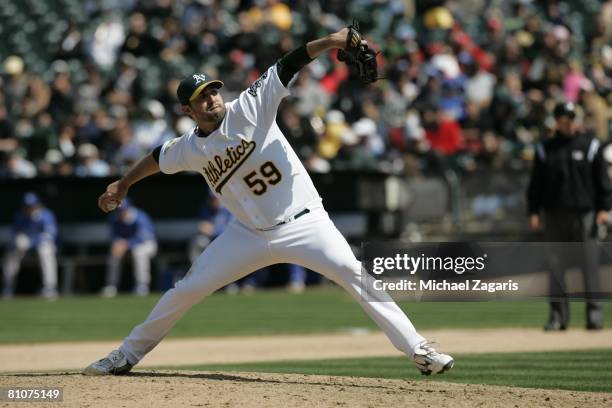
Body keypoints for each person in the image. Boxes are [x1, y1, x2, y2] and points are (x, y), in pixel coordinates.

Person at [83, 26, 454, 376]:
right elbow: (156, 158)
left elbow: (289, 63)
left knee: (357, 276)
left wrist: (332, 40)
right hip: (247, 235)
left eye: (213, 90)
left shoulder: (250, 106)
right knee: (187, 290)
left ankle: (419, 350)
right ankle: (126, 355)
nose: (211, 98)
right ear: (187, 110)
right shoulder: (189, 148)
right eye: (201, 97)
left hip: (305, 223)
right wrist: (123, 183)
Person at [527, 102, 611, 331]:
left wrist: (604, 208)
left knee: (589, 265)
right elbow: (536, 185)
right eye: (564, 117)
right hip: (554, 214)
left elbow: (602, 181)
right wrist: (533, 211)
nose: (569, 121)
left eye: (572, 117)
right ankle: (558, 317)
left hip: (585, 214)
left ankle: (594, 315)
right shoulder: (546, 148)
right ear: (557, 120)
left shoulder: (591, 145)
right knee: (555, 266)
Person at [2, 192, 58, 299]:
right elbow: (14, 233)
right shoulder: (19, 216)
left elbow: (51, 235)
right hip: (24, 250)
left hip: (41, 246)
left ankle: (49, 288)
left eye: (32, 205)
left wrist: (31, 242)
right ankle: (8, 287)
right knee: (12, 253)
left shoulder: (46, 215)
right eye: (27, 206)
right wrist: (18, 240)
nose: (29, 208)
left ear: (37, 204)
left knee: (46, 251)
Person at [100, 198, 157, 298]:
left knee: (139, 252)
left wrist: (127, 244)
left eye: (123, 210)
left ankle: (142, 285)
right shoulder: (114, 218)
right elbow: (114, 235)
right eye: (118, 211)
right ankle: (112, 285)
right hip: (126, 246)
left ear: (129, 208)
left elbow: (144, 237)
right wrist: (117, 243)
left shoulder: (140, 217)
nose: (121, 213)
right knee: (114, 253)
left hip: (147, 244)